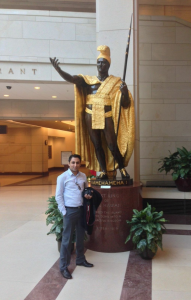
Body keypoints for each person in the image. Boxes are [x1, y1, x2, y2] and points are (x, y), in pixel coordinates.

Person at [50, 45, 135, 180]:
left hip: (107, 115)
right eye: (99, 62)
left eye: (104, 62)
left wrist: (124, 93)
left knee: (112, 145)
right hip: (90, 114)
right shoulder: (88, 81)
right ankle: (103, 171)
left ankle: (122, 169)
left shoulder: (116, 82)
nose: (101, 65)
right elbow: (72, 78)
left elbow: (125, 104)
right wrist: (59, 70)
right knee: (97, 145)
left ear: (108, 65)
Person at [55, 154, 93, 280]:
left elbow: (85, 191)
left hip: (81, 210)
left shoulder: (83, 176)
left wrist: (87, 195)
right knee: (67, 240)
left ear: (80, 164)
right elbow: (58, 196)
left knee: (81, 237)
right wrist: (64, 211)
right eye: (73, 162)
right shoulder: (62, 177)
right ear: (68, 163)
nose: (75, 165)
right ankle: (64, 267)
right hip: (69, 211)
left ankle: (80, 260)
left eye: (77, 163)